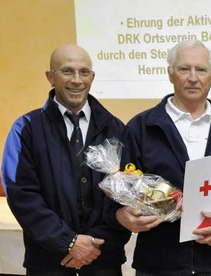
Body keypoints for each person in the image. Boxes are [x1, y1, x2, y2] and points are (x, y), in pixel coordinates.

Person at [104, 40, 211, 275]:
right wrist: (119, 214)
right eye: (184, 69)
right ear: (170, 74)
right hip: (159, 264)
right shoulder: (141, 128)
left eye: (201, 69)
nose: (193, 77)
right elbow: (116, 190)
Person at [1, 44, 129, 275]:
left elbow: (125, 195)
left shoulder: (115, 128)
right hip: (49, 262)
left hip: (103, 261)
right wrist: (68, 242)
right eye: (67, 71)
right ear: (51, 77)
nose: (77, 80)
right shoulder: (27, 129)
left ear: (92, 77)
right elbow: (22, 195)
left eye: (84, 72)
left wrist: (94, 245)